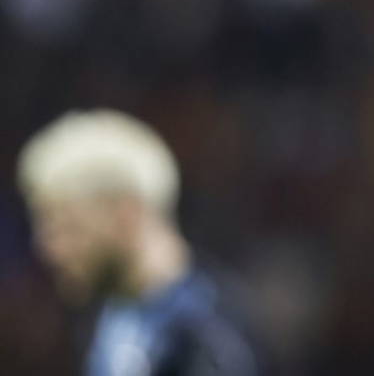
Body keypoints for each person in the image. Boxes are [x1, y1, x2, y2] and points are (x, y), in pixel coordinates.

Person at [17, 109, 260, 376]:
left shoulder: (209, 340)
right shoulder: (112, 309)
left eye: (69, 228)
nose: (49, 248)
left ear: (125, 215)